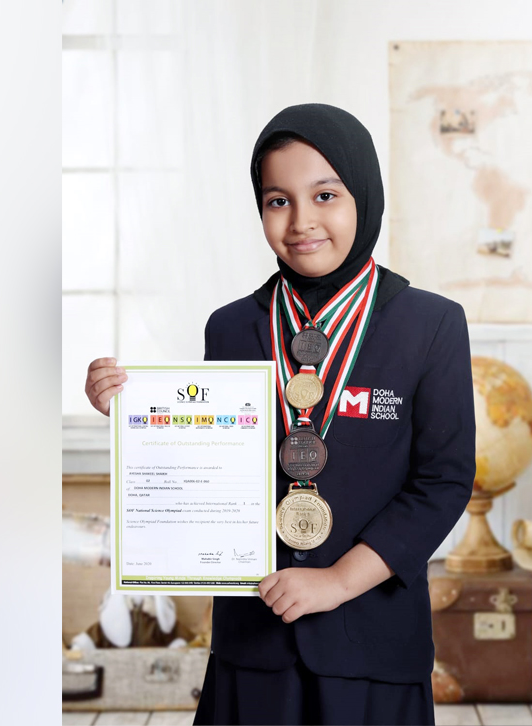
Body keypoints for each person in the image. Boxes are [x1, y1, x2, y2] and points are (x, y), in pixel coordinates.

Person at [84, 103, 476, 725]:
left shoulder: (430, 325)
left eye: (325, 195)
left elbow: (443, 481)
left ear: (365, 195)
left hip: (371, 641)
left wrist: (339, 580)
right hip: (254, 641)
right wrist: (134, 416)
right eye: (277, 200)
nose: (301, 221)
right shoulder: (233, 326)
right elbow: (210, 463)